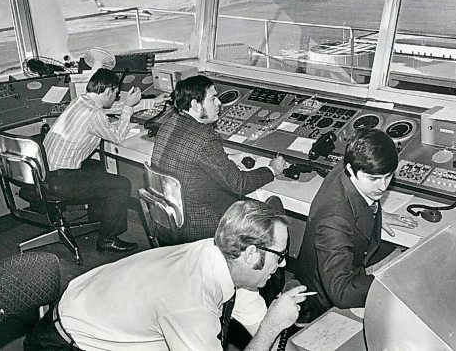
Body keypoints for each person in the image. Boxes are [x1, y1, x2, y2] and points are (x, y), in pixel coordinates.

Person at [24, 199, 308, 351]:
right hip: (63, 342)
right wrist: (272, 326)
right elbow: (267, 330)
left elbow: (267, 332)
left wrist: (272, 327)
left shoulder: (224, 256)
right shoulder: (190, 299)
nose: (281, 266)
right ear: (250, 255)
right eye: (279, 256)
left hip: (96, 306)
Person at [295, 127, 417, 320]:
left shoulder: (353, 164)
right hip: (322, 304)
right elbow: (341, 291)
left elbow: (362, 192)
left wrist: (377, 212)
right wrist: (396, 283)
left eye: (388, 177)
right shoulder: (333, 220)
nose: (383, 187)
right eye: (374, 179)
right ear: (351, 169)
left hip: (352, 263)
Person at [43, 68, 167, 253]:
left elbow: (111, 107)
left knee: (96, 167)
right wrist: (128, 108)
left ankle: (98, 219)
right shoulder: (95, 115)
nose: (117, 98)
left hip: (45, 170)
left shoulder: (81, 101)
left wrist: (150, 102)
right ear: (108, 91)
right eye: (116, 94)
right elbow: (117, 136)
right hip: (61, 178)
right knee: (121, 185)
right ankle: (107, 239)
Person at [151, 74, 286, 242]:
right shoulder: (205, 138)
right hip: (198, 227)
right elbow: (239, 184)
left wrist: (229, 157)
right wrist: (272, 169)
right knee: (269, 207)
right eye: (213, 99)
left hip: (168, 221)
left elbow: (188, 155)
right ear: (195, 105)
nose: (219, 103)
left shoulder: (169, 123)